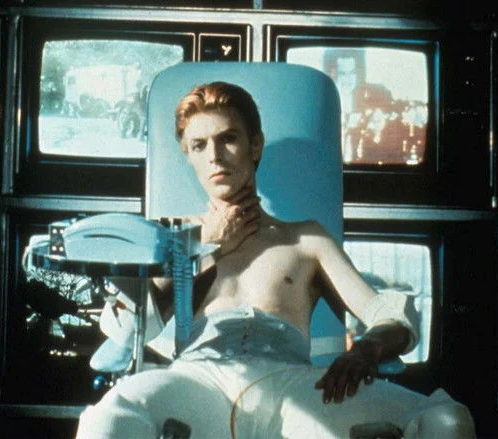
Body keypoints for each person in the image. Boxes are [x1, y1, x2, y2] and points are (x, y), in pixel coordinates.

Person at [77, 81, 475, 438]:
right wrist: (207, 246)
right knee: (107, 418)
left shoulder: (306, 239)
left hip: (293, 384)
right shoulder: (172, 238)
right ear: (189, 156)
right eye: (199, 145)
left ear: (255, 146)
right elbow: (126, 332)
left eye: (228, 139)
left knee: (447, 420)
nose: (214, 156)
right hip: (198, 382)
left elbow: (392, 318)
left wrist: (366, 349)